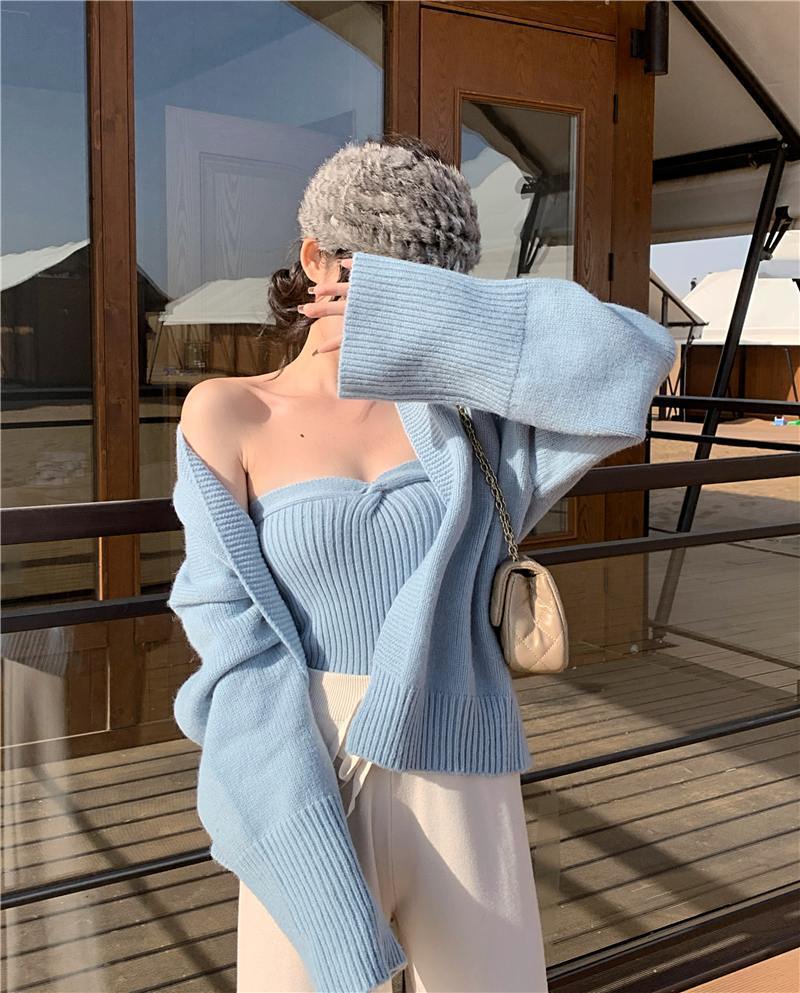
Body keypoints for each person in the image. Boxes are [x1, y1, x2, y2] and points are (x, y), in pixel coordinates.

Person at [167, 133, 676, 993]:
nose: (390, 307)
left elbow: (634, 358)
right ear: (313, 258)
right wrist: (295, 825)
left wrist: (429, 316)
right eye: (372, 276)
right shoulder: (229, 412)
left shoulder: (472, 420)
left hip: (460, 760)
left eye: (424, 287)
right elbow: (230, 636)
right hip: (302, 762)